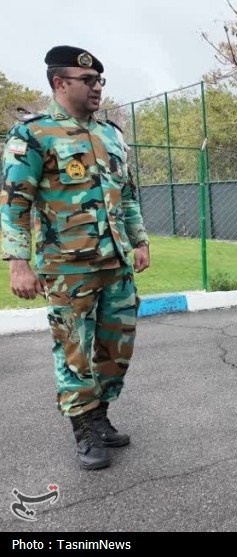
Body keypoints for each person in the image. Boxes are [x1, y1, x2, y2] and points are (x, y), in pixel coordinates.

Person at [1, 46, 150, 471]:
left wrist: (139, 241)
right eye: (87, 80)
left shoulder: (111, 135)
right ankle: (83, 427)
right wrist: (18, 262)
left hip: (115, 264)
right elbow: (14, 202)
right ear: (59, 83)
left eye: (99, 80)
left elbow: (127, 195)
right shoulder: (33, 134)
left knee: (116, 347)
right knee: (74, 349)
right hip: (68, 267)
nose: (97, 87)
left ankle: (100, 415)